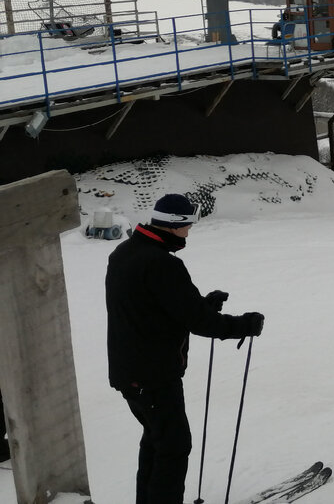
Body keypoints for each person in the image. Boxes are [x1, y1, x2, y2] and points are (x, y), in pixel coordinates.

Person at [106, 194, 265, 504]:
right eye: (187, 227)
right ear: (173, 226)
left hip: (130, 373)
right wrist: (243, 325)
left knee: (157, 440)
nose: (189, 233)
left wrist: (202, 304)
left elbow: (153, 309)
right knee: (174, 445)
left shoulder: (125, 253)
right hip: (154, 375)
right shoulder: (162, 264)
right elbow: (200, 322)